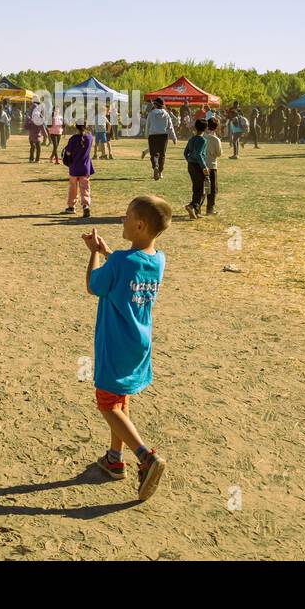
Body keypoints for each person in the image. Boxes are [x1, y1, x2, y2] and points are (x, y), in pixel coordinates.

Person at [82, 195, 171, 500]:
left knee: (107, 404)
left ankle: (146, 457)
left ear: (140, 225)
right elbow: (129, 269)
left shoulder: (120, 261)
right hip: (140, 342)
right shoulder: (157, 259)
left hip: (115, 343)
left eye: (126, 216)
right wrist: (109, 252)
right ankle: (113, 459)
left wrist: (95, 253)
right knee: (121, 399)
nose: (122, 219)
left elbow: (94, 284)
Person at [62, 122, 94, 218]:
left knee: (73, 188)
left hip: (74, 167)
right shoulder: (90, 137)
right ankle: (85, 206)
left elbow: (68, 152)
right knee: (85, 188)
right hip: (85, 167)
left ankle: (71, 207)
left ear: (76, 127)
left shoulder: (73, 138)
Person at [144, 98, 177, 180]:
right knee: (162, 155)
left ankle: (155, 166)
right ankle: (160, 172)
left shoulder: (151, 113)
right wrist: (174, 137)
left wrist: (146, 135)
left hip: (153, 135)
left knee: (154, 154)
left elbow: (148, 124)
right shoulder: (166, 114)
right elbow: (170, 126)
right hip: (163, 136)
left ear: (155, 105)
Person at [183, 118, 210, 218]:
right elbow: (199, 155)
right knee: (202, 189)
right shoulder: (203, 140)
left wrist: (190, 160)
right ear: (206, 128)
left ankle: (196, 211)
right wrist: (204, 167)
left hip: (191, 165)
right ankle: (193, 206)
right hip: (198, 166)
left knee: (196, 187)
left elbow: (185, 153)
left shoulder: (191, 139)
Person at [203, 116, 223, 215]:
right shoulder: (216, 139)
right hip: (212, 165)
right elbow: (219, 153)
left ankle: (197, 206)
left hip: (202, 165)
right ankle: (210, 208)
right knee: (212, 188)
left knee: (203, 187)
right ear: (216, 127)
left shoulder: (202, 136)